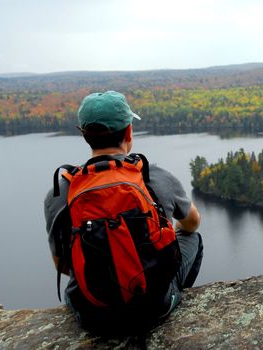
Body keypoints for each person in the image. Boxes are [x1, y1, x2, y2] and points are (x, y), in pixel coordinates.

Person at [44, 91, 203, 332]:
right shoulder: (154, 177)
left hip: (92, 317)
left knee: (76, 287)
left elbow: (62, 264)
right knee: (193, 240)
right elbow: (192, 224)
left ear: (84, 135)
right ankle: (167, 299)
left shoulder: (60, 191)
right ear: (129, 132)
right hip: (151, 309)